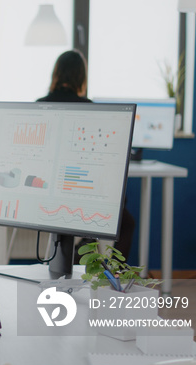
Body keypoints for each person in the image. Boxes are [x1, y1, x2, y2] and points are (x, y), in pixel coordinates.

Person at [37, 49, 136, 259]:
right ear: (81, 77)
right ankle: (112, 273)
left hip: (44, 195)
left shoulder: (40, 105)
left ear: (56, 74)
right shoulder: (89, 108)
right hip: (79, 195)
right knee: (125, 220)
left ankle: (75, 250)